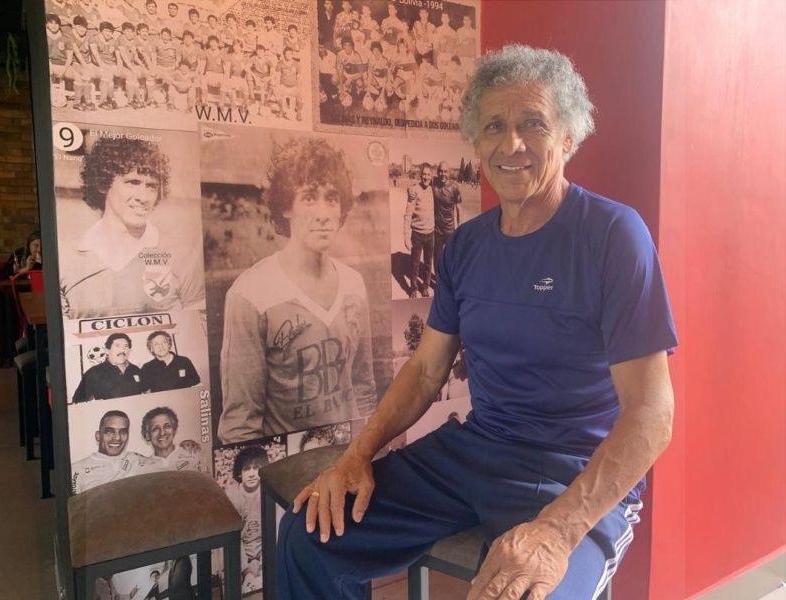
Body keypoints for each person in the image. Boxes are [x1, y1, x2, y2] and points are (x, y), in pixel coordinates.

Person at [277, 44, 678, 600]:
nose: (511, 144)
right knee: (311, 536)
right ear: (477, 142)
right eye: (494, 126)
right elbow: (425, 371)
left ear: (567, 137)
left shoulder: (614, 234)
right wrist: (357, 455)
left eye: (533, 123)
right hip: (475, 450)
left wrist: (557, 530)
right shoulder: (466, 245)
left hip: (572, 469)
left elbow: (652, 414)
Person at [217, 137, 378, 443]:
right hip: (291, 466)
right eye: (309, 198)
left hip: (348, 460)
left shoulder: (354, 284)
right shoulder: (250, 294)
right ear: (286, 206)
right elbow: (240, 425)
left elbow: (363, 388)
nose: (323, 213)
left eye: (332, 198)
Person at [58, 136, 204, 319]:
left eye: (151, 186)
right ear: (103, 183)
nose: (144, 197)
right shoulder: (66, 256)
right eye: (132, 182)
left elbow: (198, 326)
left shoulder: (182, 253)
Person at [71, 410, 166, 494]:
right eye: (110, 432)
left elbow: (166, 470)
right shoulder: (76, 470)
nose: (117, 438)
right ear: (98, 436)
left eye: (123, 432)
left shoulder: (135, 459)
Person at [224, 446, 268, 594]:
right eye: (246, 469)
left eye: (256, 468)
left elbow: (275, 531)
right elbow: (232, 539)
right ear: (239, 473)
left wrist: (261, 561)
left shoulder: (268, 491)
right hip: (242, 556)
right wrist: (246, 569)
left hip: (266, 553)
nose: (252, 473)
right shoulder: (232, 495)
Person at [72, 333, 145, 402]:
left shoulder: (136, 370)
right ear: (107, 350)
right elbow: (78, 401)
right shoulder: (93, 373)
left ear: (129, 350)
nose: (123, 350)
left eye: (126, 346)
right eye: (117, 346)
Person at [403, 163, 435, 298]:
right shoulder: (414, 190)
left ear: (431, 176)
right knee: (415, 264)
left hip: (430, 234)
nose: (426, 177)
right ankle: (413, 288)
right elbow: (408, 214)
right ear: (420, 175)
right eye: (424, 174)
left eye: (428, 174)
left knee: (428, 264)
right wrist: (406, 236)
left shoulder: (433, 190)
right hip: (417, 234)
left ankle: (425, 286)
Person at [141, 406, 204, 472]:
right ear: (147, 435)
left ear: (174, 430)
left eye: (167, 426)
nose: (162, 433)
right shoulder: (144, 468)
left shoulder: (192, 452)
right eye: (156, 429)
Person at [431, 161, 462, 276]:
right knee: (437, 258)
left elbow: (459, 209)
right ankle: (438, 280)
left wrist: (459, 228)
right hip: (437, 230)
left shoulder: (454, 187)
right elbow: (420, 184)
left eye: (445, 171)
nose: (443, 174)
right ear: (437, 172)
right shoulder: (433, 183)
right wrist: (411, 190)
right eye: (441, 171)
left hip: (450, 230)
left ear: (449, 173)